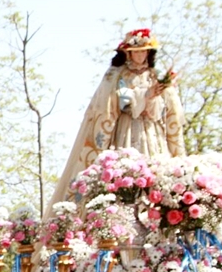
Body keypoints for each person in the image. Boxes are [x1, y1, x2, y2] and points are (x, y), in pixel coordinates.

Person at [50, 28, 185, 208]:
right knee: (125, 169)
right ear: (128, 54)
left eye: (143, 51)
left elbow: (166, 108)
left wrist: (156, 97)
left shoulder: (155, 74)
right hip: (126, 128)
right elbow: (117, 101)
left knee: (156, 169)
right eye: (136, 52)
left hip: (152, 130)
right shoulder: (117, 74)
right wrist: (145, 95)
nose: (140, 56)